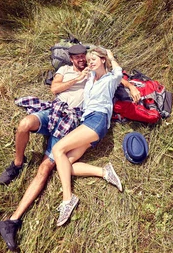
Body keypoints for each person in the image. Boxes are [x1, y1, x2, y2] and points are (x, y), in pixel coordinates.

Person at [0, 45, 139, 250]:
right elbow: (54, 89)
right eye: (79, 57)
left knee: (47, 166)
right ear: (71, 59)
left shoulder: (97, 74)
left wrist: (131, 86)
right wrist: (77, 79)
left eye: (87, 57)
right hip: (54, 111)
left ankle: (13, 220)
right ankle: (17, 164)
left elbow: (116, 76)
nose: (84, 60)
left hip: (74, 122)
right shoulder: (66, 71)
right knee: (25, 125)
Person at [51, 47, 125, 227]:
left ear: (102, 60)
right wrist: (84, 72)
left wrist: (110, 55)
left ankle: (68, 199)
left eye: (93, 59)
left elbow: (118, 72)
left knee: (57, 149)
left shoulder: (110, 79)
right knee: (66, 164)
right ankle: (104, 172)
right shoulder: (91, 77)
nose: (89, 62)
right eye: (88, 59)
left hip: (98, 120)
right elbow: (83, 72)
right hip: (88, 121)